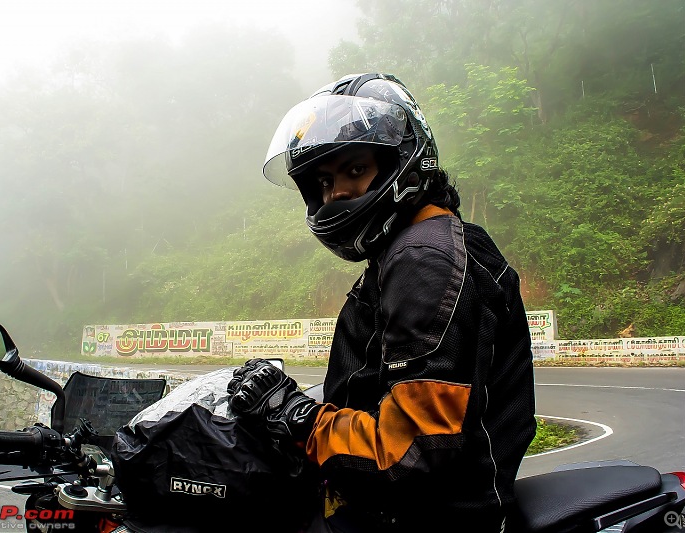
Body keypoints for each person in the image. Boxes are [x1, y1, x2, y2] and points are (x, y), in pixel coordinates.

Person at [228, 73, 536, 532]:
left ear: (403, 162)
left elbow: (409, 454)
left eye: (355, 170)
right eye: (325, 181)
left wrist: (294, 417)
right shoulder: (415, 249)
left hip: (426, 521)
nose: (338, 194)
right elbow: (376, 388)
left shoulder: (423, 260)